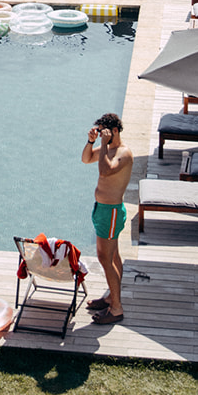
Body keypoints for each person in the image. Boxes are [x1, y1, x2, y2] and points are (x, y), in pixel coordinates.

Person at [81, 112, 133, 324]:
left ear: (113, 132)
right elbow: (86, 159)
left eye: (104, 131)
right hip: (102, 210)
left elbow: (104, 171)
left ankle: (116, 309)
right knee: (113, 257)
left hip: (111, 212)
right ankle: (112, 297)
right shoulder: (108, 149)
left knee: (104, 258)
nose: (101, 134)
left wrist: (102, 145)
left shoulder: (123, 153)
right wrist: (91, 142)